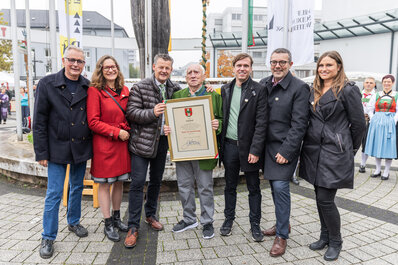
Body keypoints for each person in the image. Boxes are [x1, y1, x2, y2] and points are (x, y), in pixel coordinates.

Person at [299, 51, 365, 261]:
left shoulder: (347, 90)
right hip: (314, 151)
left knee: (326, 200)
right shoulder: (314, 89)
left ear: (338, 67)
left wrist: (349, 149)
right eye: (321, 65)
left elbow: (359, 124)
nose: (324, 69)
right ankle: (324, 236)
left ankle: (336, 241)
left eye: (329, 65)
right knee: (319, 199)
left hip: (334, 152)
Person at [33, 45, 92, 259]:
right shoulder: (47, 84)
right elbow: (39, 121)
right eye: (72, 60)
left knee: (76, 187)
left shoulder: (88, 86)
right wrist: (41, 153)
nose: (75, 64)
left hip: (80, 146)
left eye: (79, 61)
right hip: (56, 147)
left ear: (84, 64)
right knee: (55, 193)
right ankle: (48, 236)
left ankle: (73, 222)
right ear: (63, 60)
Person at [124, 53, 181, 248]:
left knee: (156, 181)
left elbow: (185, 107)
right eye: (161, 67)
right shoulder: (140, 87)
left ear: (171, 70)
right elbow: (131, 113)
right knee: (138, 183)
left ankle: (150, 215)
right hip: (141, 144)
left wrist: (208, 91)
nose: (164, 71)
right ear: (154, 67)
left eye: (167, 68)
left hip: (162, 142)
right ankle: (132, 226)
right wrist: (152, 113)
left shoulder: (175, 89)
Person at [260, 48, 310, 257]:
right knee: (273, 186)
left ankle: (282, 236)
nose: (277, 66)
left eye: (282, 62)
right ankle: (284, 223)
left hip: (283, 147)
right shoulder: (263, 83)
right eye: (274, 62)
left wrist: (288, 151)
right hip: (264, 146)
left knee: (280, 187)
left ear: (290, 64)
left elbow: (300, 124)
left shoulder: (300, 88)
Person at [164, 63, 222, 239]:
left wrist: (217, 125)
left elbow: (221, 118)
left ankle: (207, 221)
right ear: (185, 77)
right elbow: (172, 118)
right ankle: (189, 219)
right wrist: (168, 128)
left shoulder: (213, 95)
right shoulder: (177, 96)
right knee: (184, 186)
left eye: (196, 72)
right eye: (189, 72)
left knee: (205, 186)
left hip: (204, 149)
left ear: (203, 76)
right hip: (183, 150)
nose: (193, 75)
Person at [219, 53, 267, 242]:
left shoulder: (259, 90)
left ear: (251, 68)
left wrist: (256, 150)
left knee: (253, 188)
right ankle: (228, 220)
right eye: (239, 65)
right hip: (229, 147)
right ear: (233, 68)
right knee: (229, 186)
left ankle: (255, 224)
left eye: (246, 66)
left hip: (249, 150)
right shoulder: (225, 89)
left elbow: (262, 123)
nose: (242, 69)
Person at [87, 55, 130, 242]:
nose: (111, 70)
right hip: (104, 144)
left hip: (121, 145)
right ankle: (107, 223)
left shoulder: (125, 89)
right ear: (101, 70)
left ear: (118, 68)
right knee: (104, 184)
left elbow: (130, 115)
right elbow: (93, 122)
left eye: (114, 66)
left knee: (119, 182)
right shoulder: (95, 91)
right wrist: (116, 131)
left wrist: (126, 128)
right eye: (106, 67)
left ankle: (117, 218)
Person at [365, 74, 397, 180]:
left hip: (390, 122)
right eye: (385, 81)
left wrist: (394, 120)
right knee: (377, 145)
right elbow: (369, 107)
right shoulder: (376, 94)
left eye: (389, 82)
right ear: (382, 83)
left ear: (393, 83)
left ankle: (386, 171)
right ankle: (378, 169)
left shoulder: (396, 95)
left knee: (388, 146)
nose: (387, 83)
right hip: (377, 122)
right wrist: (372, 117)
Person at [359, 77, 377, 173]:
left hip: (368, 121)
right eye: (367, 82)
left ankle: (363, 164)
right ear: (363, 84)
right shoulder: (358, 93)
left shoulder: (377, 95)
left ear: (374, 84)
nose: (368, 84)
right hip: (356, 120)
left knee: (365, 143)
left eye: (371, 83)